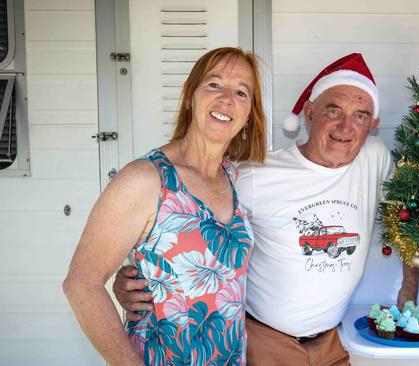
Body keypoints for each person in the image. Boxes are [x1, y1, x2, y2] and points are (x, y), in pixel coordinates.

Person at [114, 53, 419, 365]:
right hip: (267, 343)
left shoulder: (375, 158)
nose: (345, 126)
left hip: (332, 343)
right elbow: (184, 226)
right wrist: (133, 277)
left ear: (373, 125)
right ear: (310, 112)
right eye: (334, 110)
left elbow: (413, 219)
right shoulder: (254, 175)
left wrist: (409, 291)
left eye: (360, 116)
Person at [63, 47, 267, 366]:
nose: (226, 98)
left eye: (241, 92)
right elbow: (81, 284)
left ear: (247, 116)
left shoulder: (232, 176)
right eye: (214, 84)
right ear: (190, 97)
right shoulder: (145, 180)